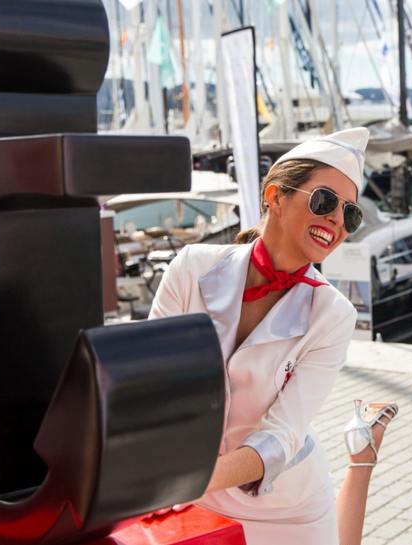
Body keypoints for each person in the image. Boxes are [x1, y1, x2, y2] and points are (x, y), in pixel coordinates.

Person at [150, 127, 386, 544]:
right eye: (325, 201)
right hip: (186, 494)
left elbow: (281, 436)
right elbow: (148, 387)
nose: (336, 219)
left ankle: (362, 457)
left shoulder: (333, 315)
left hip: (287, 512)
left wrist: (190, 479)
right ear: (275, 196)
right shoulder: (191, 267)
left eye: (350, 214)